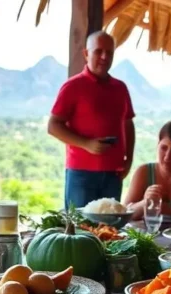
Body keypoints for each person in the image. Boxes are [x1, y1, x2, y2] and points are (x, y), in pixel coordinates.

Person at [48, 31, 135, 209]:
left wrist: (129, 159)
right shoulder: (73, 86)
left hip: (114, 173)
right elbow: (53, 126)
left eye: (109, 52)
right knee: (80, 229)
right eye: (98, 51)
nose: (104, 57)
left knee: (109, 230)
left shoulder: (120, 88)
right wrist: (86, 144)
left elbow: (128, 123)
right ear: (86, 54)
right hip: (81, 174)